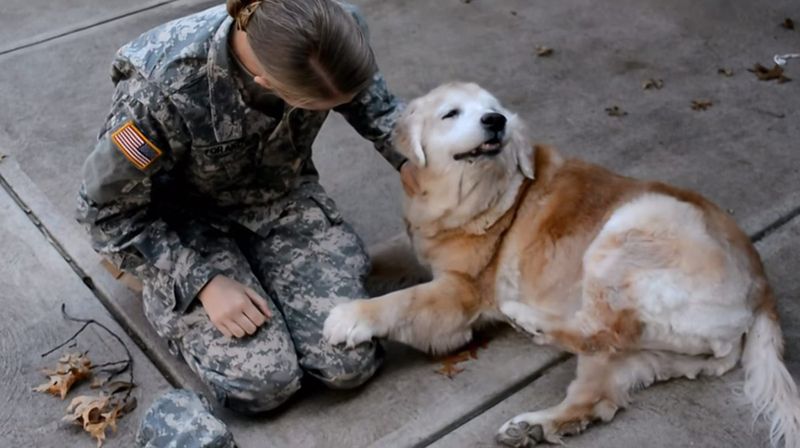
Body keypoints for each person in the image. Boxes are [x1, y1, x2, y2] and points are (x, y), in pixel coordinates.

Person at [77, 0, 411, 418]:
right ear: (264, 81)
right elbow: (104, 213)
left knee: (347, 362)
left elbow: (376, 109)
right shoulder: (158, 92)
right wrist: (200, 282)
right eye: (313, 105)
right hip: (184, 228)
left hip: (279, 198)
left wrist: (423, 161)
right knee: (264, 385)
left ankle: (259, 267)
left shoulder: (335, 34)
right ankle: (163, 286)